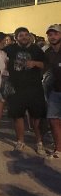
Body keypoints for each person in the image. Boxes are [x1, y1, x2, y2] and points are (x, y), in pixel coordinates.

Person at [5, 27, 46, 153]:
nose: (24, 37)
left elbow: (45, 64)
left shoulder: (36, 49)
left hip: (35, 88)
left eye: (26, 35)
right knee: (18, 116)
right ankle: (20, 141)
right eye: (21, 35)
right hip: (16, 89)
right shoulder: (10, 49)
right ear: (16, 38)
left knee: (37, 116)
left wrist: (35, 63)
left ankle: (39, 143)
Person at [44, 24, 61, 159]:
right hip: (55, 92)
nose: (53, 37)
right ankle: (58, 150)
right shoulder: (48, 52)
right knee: (53, 120)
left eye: (56, 34)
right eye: (50, 35)